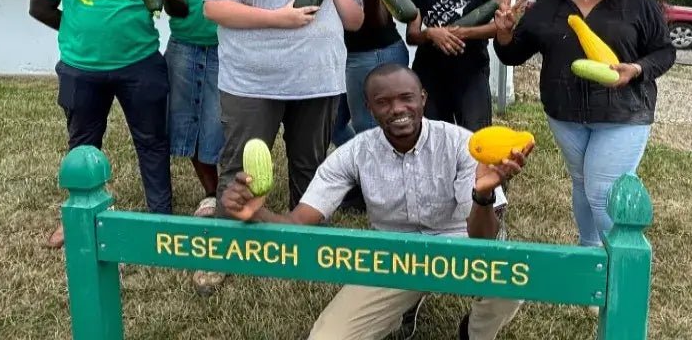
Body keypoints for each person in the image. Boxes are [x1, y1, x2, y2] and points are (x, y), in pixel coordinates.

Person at [221, 64, 528, 340]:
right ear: (369, 108)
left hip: (460, 249)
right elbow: (298, 222)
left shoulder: (461, 144)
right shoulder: (354, 154)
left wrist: (483, 195)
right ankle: (401, 306)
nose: (397, 109)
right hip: (393, 258)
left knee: (510, 281)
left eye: (406, 98)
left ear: (423, 98)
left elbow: (484, 239)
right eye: (383, 102)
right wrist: (256, 212)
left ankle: (474, 333)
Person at [200, 0, 364, 291]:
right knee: (239, 166)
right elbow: (214, 7)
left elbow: (355, 20)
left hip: (316, 82)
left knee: (310, 167)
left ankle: (306, 247)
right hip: (251, 83)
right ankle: (223, 249)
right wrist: (278, 18)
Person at [28, 0, 189, 249]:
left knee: (151, 141)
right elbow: (39, 7)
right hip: (81, 69)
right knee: (83, 143)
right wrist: (76, 29)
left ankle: (160, 217)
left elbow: (181, 9)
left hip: (141, 65)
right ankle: (79, 217)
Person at [493, 0, 676, 248]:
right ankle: (590, 252)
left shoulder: (636, 1)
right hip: (565, 114)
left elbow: (664, 51)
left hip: (624, 112)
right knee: (581, 183)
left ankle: (622, 259)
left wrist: (636, 69)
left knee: (603, 190)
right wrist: (505, 33)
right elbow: (513, 55)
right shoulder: (548, 6)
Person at [131, 0, 241, 218]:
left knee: (222, 123)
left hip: (231, 49)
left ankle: (231, 189)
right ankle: (211, 193)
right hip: (184, 50)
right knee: (189, 122)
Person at [319, 0, 410, 211]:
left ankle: (376, 193)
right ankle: (363, 177)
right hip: (347, 56)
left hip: (376, 55)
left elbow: (379, 23)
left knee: (369, 126)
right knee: (331, 124)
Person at [406, 0, 507, 132]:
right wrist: (431, 33)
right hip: (429, 74)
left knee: (474, 136)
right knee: (434, 136)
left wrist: (463, 32)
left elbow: (502, 25)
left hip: (471, 73)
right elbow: (412, 35)